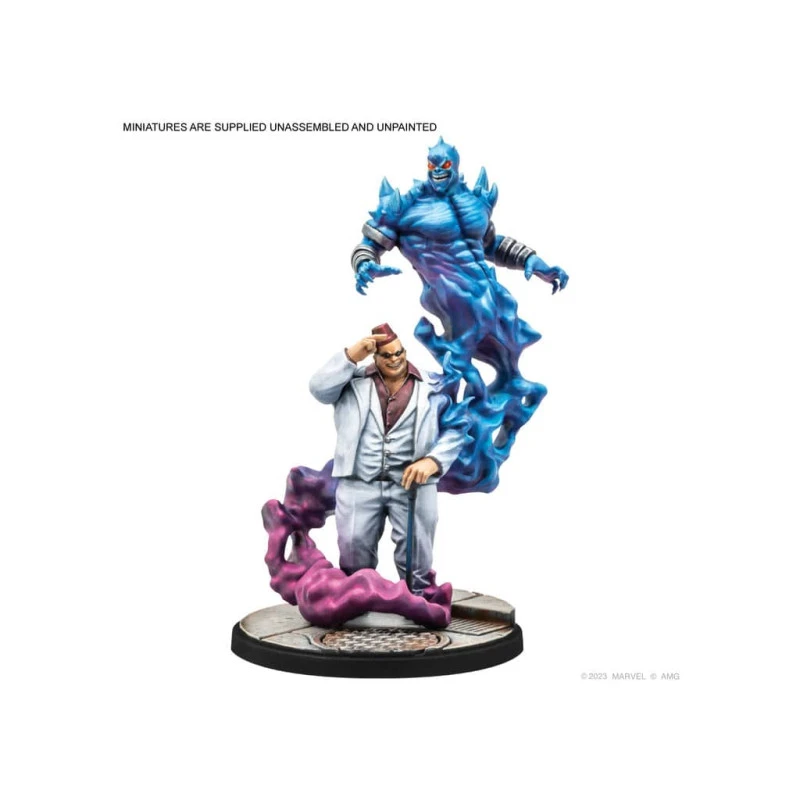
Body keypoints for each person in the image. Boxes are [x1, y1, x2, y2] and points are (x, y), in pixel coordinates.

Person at [309, 323, 466, 593]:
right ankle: (357, 601)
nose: (395, 359)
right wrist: (351, 355)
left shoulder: (434, 385)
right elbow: (318, 388)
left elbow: (457, 427)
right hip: (359, 482)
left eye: (399, 353)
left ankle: (419, 603)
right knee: (353, 548)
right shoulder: (351, 382)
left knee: (416, 555)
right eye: (387, 355)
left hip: (413, 486)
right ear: (374, 356)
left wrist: (434, 461)